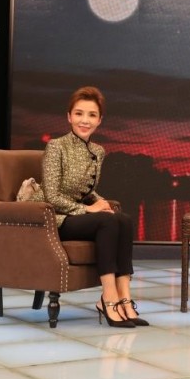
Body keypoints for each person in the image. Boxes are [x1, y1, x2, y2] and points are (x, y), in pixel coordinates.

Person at [41, 86, 146, 328]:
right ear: (69, 117)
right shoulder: (56, 146)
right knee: (107, 221)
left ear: (99, 120)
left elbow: (86, 191)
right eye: (79, 114)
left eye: (91, 115)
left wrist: (101, 202)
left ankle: (124, 298)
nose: (84, 120)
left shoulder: (98, 151)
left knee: (123, 219)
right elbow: (52, 196)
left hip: (77, 215)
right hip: (56, 217)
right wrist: (88, 209)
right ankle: (108, 298)